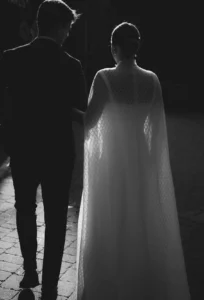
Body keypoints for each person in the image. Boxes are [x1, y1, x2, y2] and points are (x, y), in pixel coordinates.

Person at [75, 22, 190, 299]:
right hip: (142, 162)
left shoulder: (104, 78)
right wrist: (150, 161)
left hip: (112, 164)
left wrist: (66, 109)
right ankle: (142, 282)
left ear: (114, 47)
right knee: (141, 222)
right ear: (136, 47)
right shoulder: (152, 80)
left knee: (113, 222)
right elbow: (155, 129)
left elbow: (90, 123)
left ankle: (111, 284)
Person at [0, 1, 87, 299]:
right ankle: (51, 279)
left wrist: (4, 126)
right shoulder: (71, 65)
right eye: (68, 28)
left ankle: (29, 269)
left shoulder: (12, 57)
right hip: (58, 150)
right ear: (59, 27)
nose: (68, 34)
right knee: (56, 216)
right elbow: (79, 106)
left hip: (23, 147)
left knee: (24, 207)